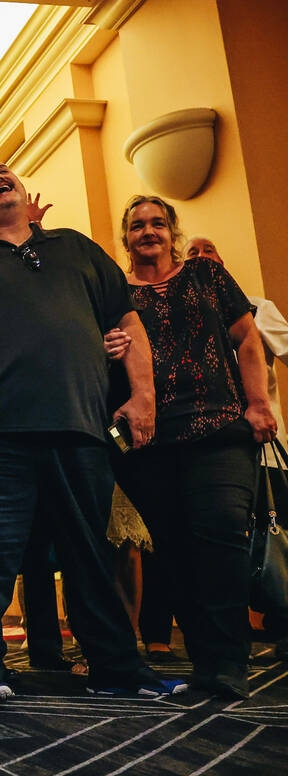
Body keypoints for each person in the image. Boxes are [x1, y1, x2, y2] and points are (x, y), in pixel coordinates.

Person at [0, 159, 186, 712]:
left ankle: (117, 668)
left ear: (22, 190)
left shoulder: (75, 247)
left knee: (92, 556)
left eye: (4, 170)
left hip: (80, 426)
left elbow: (128, 322)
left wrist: (142, 397)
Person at [108, 198, 275, 698]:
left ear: (172, 231)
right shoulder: (114, 291)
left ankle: (228, 662)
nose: (148, 232)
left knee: (220, 536)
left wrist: (259, 404)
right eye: (137, 226)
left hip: (220, 431)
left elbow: (247, 339)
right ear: (126, 237)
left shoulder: (206, 274)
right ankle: (205, 659)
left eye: (158, 223)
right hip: (149, 443)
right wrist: (105, 347)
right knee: (175, 550)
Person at [184, 236, 288, 658]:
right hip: (209, 451)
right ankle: (230, 637)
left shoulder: (257, 307)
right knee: (219, 542)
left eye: (208, 251)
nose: (200, 258)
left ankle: (282, 623)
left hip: (262, 447)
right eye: (191, 253)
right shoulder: (184, 316)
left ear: (222, 262)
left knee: (275, 537)